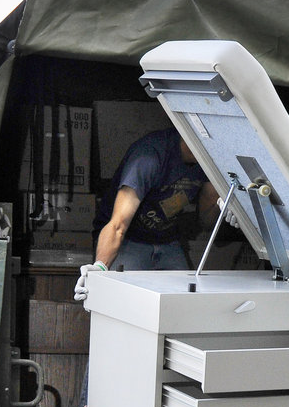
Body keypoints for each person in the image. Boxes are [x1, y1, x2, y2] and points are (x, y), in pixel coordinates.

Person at [74, 127, 218, 301]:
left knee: (184, 302)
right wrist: (100, 268)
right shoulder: (149, 157)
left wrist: (229, 206)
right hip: (129, 241)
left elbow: (206, 221)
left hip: (168, 241)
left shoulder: (212, 161)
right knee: (120, 302)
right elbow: (118, 224)